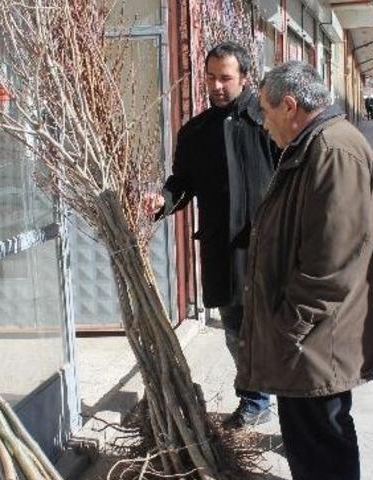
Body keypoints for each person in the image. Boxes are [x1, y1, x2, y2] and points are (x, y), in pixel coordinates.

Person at [236, 61, 373, 480]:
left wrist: (290, 326)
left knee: (321, 448)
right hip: (312, 340)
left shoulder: (332, 150)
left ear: (289, 106)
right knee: (316, 444)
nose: (265, 127)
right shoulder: (315, 145)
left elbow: (332, 262)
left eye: (266, 116)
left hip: (317, 341)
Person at [143, 41, 277, 429]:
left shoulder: (270, 123)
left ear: (245, 78)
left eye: (226, 78)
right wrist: (161, 201)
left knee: (280, 331)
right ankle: (254, 398)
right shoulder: (196, 133)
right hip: (223, 250)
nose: (217, 86)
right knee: (235, 329)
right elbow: (181, 184)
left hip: (271, 250)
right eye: (210, 78)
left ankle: (298, 403)